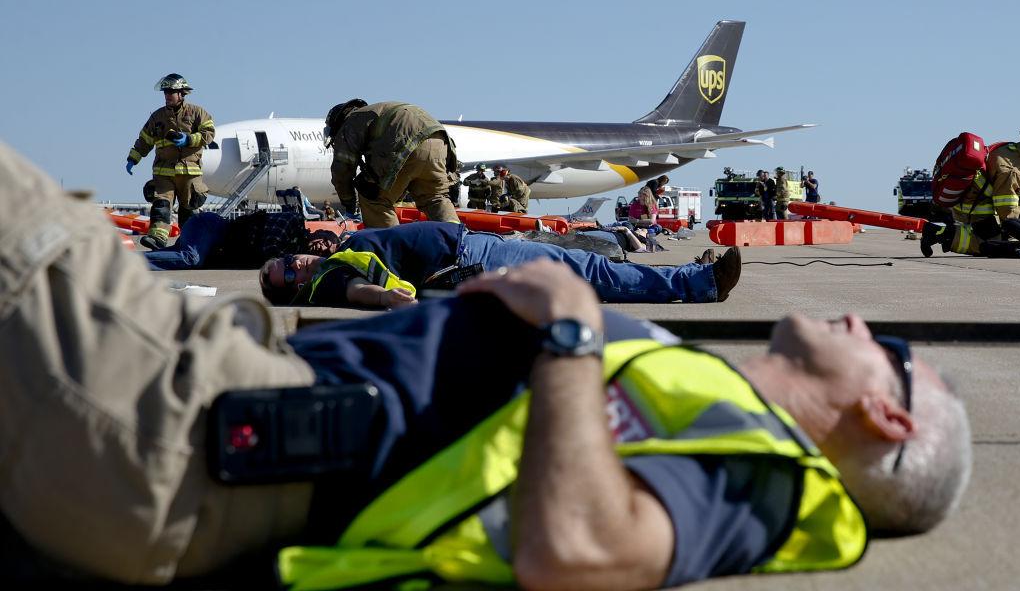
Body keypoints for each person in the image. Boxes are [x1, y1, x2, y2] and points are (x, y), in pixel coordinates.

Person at [0, 137, 971, 587]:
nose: (859, 316)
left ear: (886, 418)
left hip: (186, 426)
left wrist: (570, 334)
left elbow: (581, 551)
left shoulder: (760, 482)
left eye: (886, 350)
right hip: (203, 407)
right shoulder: (712, 411)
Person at [258, 221, 742, 307]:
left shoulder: (336, 254)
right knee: (592, 274)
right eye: (292, 277)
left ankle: (697, 278)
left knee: (589, 269)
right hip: (472, 259)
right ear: (299, 291)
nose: (298, 265)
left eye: (287, 262)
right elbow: (357, 292)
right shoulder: (332, 280)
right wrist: (385, 296)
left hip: (476, 247)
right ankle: (700, 282)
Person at [324, 99, 460, 229]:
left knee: (373, 198)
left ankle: (391, 246)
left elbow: (341, 169)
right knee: (435, 198)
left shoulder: (351, 122)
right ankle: (456, 240)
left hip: (407, 143)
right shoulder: (377, 112)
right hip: (439, 142)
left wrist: (348, 202)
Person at [921, 128, 1020, 257]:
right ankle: (937, 233)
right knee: (992, 245)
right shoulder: (1010, 172)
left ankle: (940, 233)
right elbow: (1008, 213)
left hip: (979, 202)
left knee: (1008, 237)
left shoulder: (1015, 152)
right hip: (975, 210)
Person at [125, 73, 216, 250]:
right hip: (163, 172)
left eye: (170, 92)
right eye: (165, 92)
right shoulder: (157, 117)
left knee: (188, 210)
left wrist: (189, 139)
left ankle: (190, 241)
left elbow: (209, 134)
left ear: (181, 94)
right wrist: (133, 159)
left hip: (190, 173)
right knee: (161, 204)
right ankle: (157, 239)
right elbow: (144, 140)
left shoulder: (198, 113)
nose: (167, 96)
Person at [140, 210, 339, 271]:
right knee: (189, 259)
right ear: (318, 232)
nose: (322, 247)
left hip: (211, 245)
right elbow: (269, 248)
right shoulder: (292, 221)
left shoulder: (292, 254)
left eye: (325, 252)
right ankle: (126, 263)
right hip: (211, 228)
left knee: (177, 258)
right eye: (325, 241)